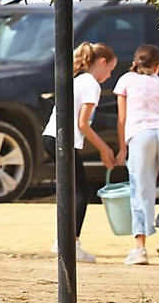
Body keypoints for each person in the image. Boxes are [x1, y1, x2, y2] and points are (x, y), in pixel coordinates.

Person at [42, 41, 117, 264]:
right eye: (110, 69)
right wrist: (104, 148)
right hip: (62, 138)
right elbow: (83, 123)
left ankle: (65, 241)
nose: (110, 75)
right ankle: (70, 243)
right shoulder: (91, 84)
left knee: (72, 189)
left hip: (53, 136)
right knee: (81, 191)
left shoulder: (80, 80)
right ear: (102, 63)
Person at [115, 44, 159, 264]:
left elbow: (122, 118)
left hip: (140, 133)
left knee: (141, 188)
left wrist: (122, 147)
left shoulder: (126, 80)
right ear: (158, 65)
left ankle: (140, 248)